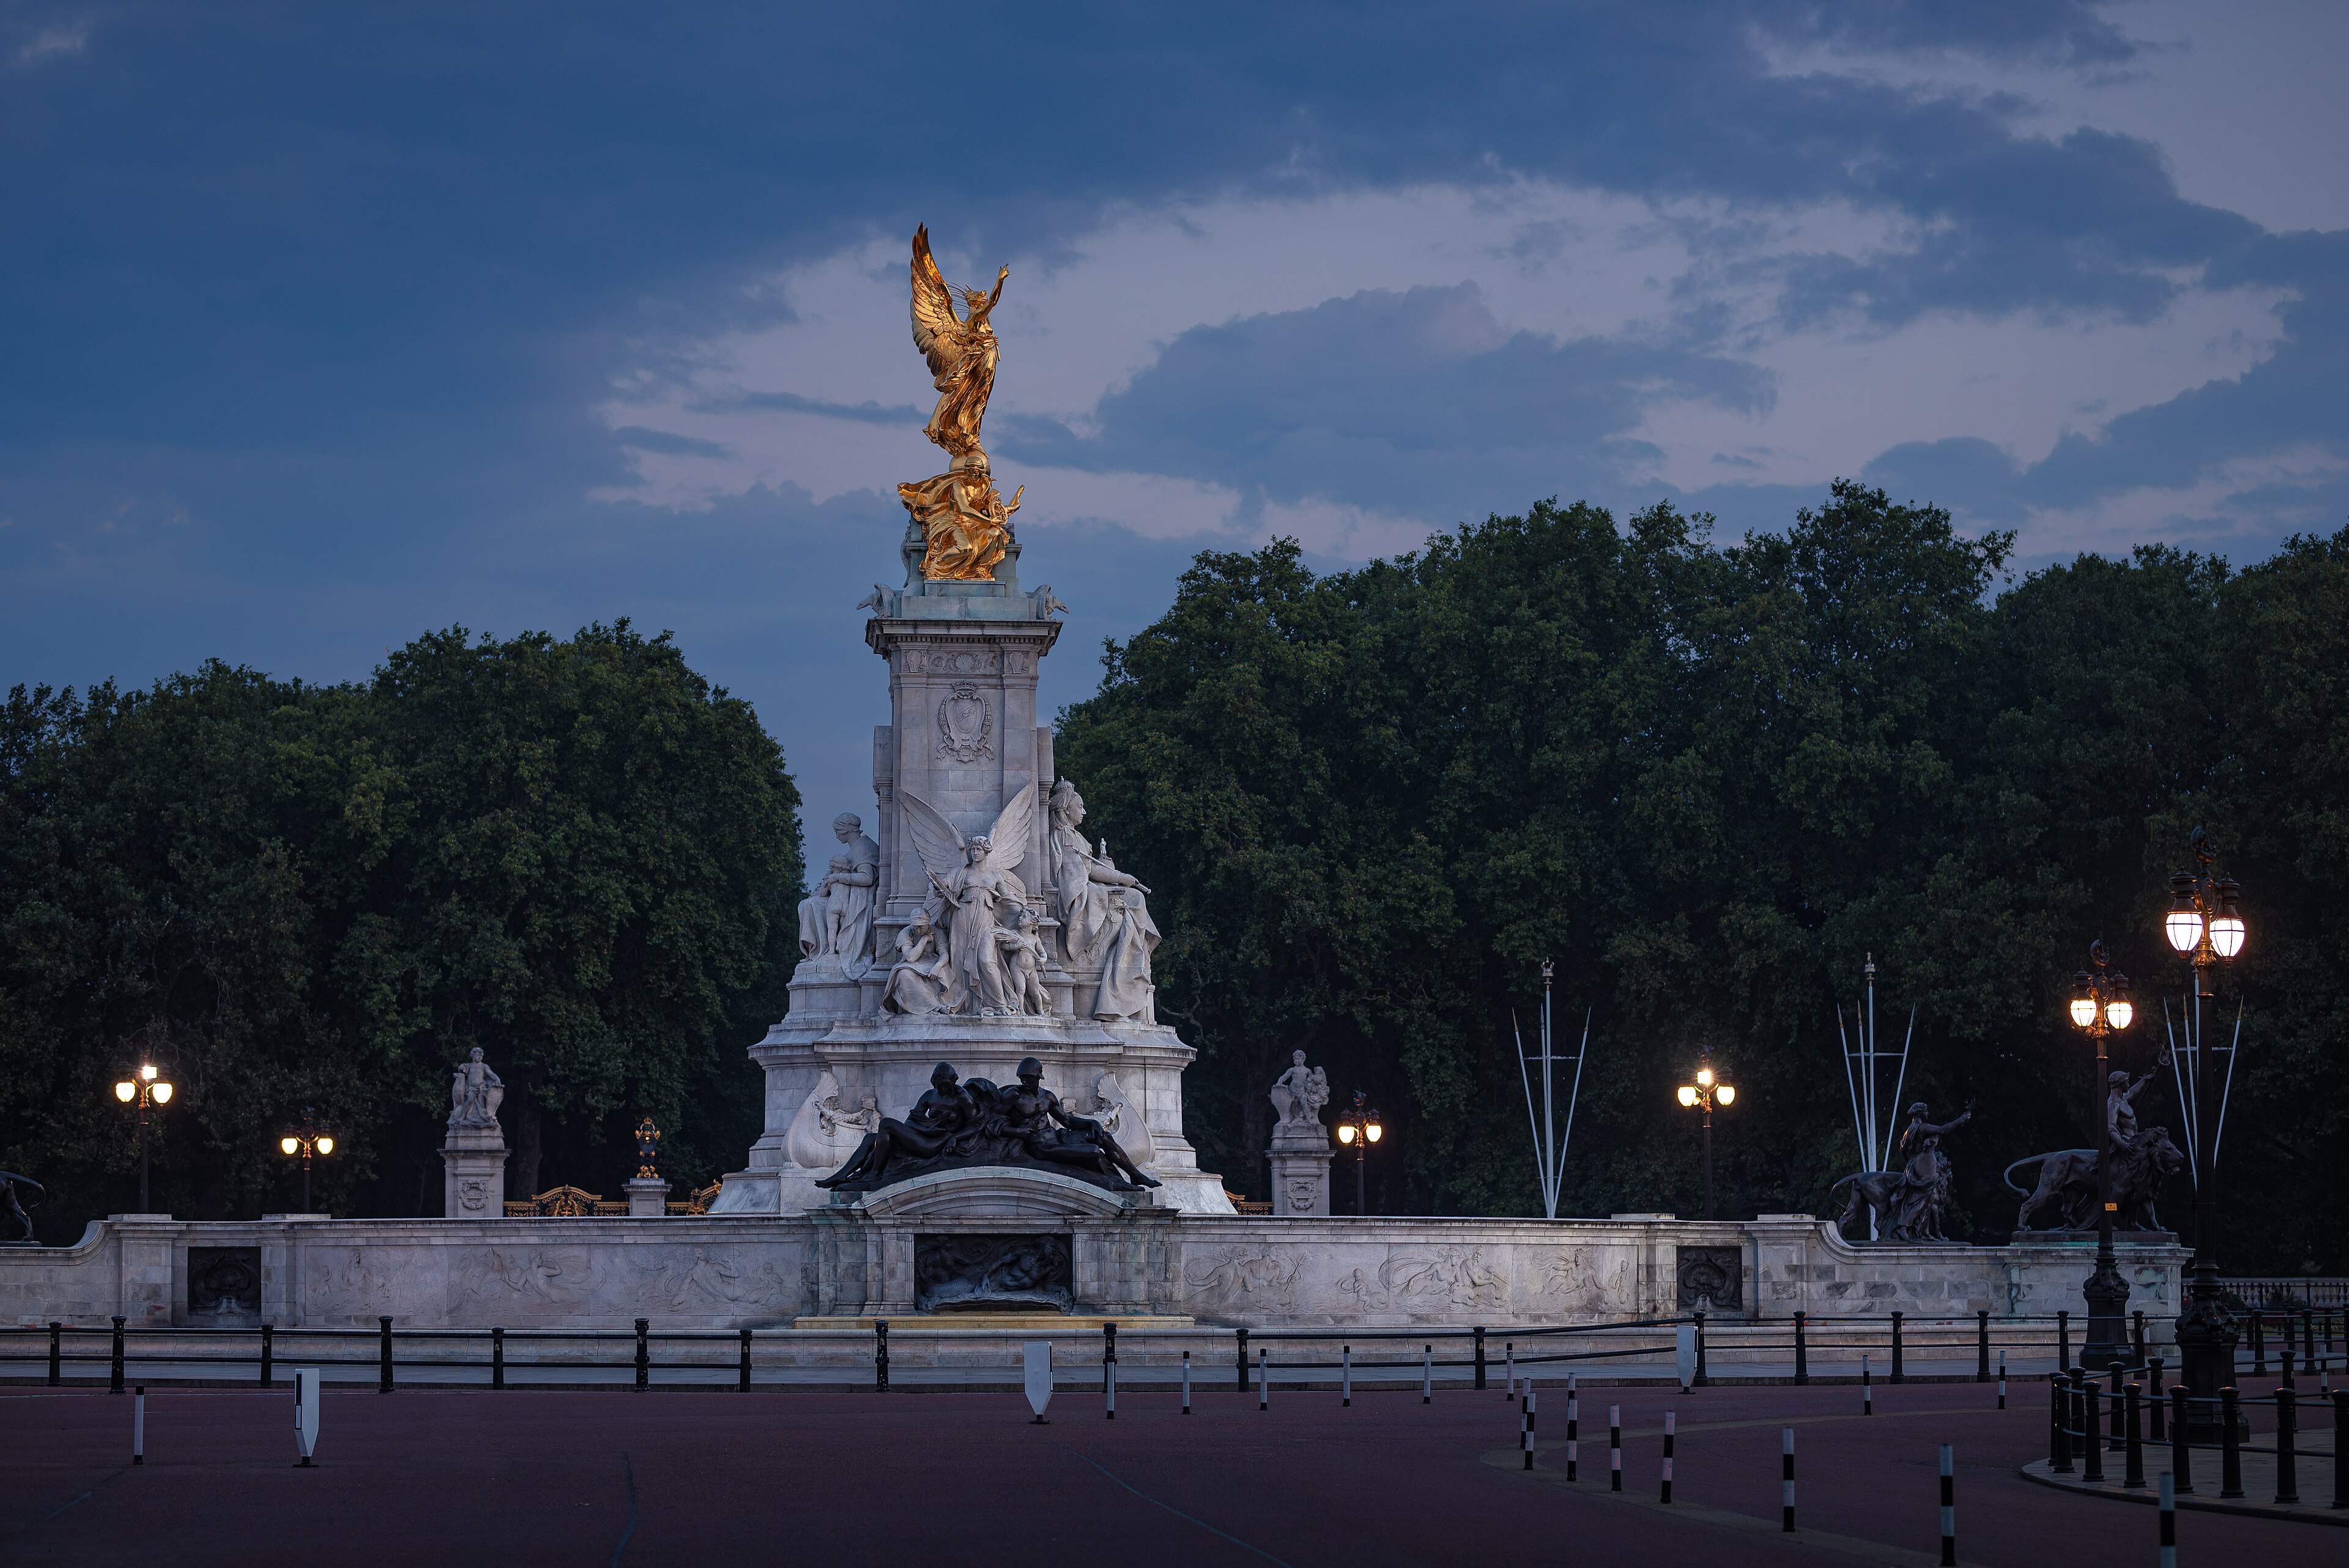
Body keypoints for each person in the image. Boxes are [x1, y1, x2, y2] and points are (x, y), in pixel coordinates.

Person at [998, 1057, 1159, 1187]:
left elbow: (1067, 1120)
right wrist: (1017, 1132)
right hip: (1041, 1147)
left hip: (1057, 1137)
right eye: (1022, 1078)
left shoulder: (1047, 1096)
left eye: (1028, 1078)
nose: (1025, 1082)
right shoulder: (1014, 1096)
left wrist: (1091, 1123)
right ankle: (1119, 1184)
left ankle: (1136, 1176)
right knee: (1093, 1151)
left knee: (1104, 1136)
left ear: (1039, 1077)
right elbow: (994, 1122)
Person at [814, 1063, 976, 1189]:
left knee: (886, 1124)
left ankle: (875, 1173)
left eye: (947, 1086)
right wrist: (928, 1129)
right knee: (871, 1138)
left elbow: (976, 1125)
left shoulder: (962, 1097)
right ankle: (842, 1175)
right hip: (924, 1137)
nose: (943, 1090)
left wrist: (955, 1138)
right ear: (934, 1082)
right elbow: (910, 1122)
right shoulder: (930, 1095)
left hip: (937, 1145)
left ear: (953, 1082)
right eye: (940, 1086)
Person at [880, 908, 958, 1014]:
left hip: (932, 964)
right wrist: (924, 940)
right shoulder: (906, 933)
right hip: (911, 966)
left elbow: (944, 954)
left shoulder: (937, 933)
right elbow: (911, 958)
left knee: (943, 972)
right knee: (904, 975)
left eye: (921, 927)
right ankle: (937, 1007)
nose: (918, 930)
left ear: (928, 923)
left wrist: (938, 966)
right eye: (915, 927)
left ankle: (942, 1002)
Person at [448, 1047, 505, 1130]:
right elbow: (461, 1068)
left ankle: (483, 1119)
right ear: (472, 1055)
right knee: (470, 1099)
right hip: (471, 1088)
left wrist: (497, 1079)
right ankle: (462, 1117)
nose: (479, 1057)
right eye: (477, 1055)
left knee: (482, 1105)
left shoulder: (484, 1066)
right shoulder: (470, 1065)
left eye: (481, 1055)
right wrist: (461, 1068)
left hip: (482, 1087)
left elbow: (491, 1074)